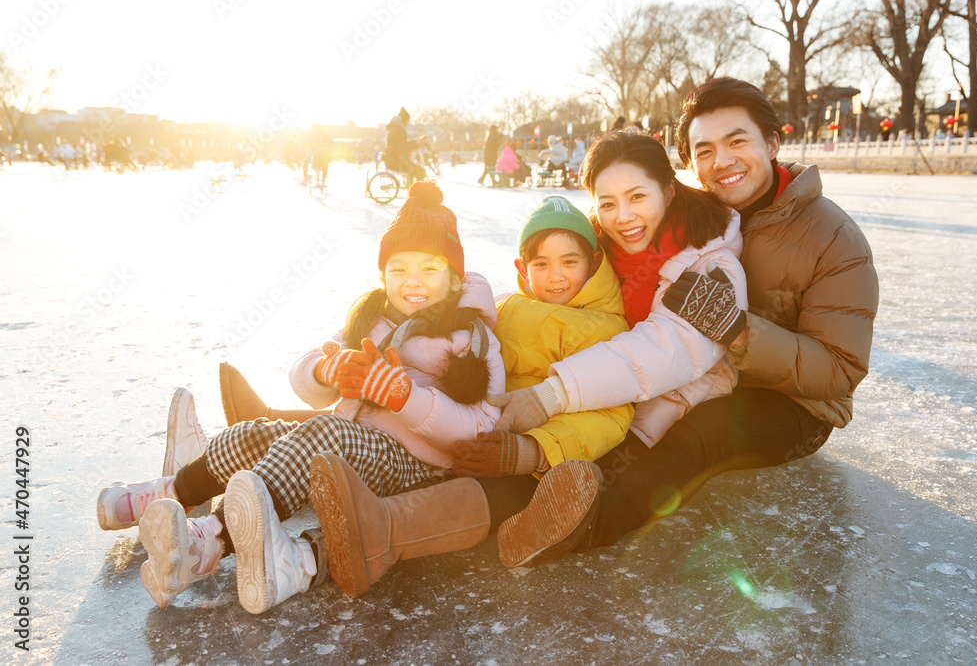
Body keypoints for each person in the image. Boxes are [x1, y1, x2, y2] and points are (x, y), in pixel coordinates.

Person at [307, 130, 749, 595]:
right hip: (532, 406)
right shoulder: (603, 248)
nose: (623, 215)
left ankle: (387, 531)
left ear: (669, 188)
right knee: (434, 416)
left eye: (637, 196)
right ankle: (289, 431)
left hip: (644, 412)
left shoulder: (707, 269)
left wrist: (539, 428)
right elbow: (524, 305)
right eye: (608, 202)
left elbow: (655, 357)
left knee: (522, 484)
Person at [492, 77, 879, 565]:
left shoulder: (834, 239)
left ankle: (586, 523)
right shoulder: (685, 217)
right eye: (705, 149)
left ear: (773, 141)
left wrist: (738, 334)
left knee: (704, 434)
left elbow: (841, 371)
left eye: (737, 141)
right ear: (687, 165)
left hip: (793, 401)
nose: (722, 161)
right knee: (616, 418)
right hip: (696, 370)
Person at [96, 181, 505, 613]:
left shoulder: (472, 340)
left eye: (429, 268)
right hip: (352, 444)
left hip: (416, 466)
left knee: (323, 434)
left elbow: (480, 427)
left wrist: (406, 398)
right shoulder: (374, 319)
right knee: (255, 434)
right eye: (398, 270)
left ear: (456, 277)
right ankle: (171, 493)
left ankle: (208, 542)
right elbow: (304, 371)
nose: (412, 282)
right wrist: (329, 369)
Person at [384, 106, 427, 180]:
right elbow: (403, 145)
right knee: (420, 171)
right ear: (403, 120)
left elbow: (402, 144)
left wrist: (416, 143)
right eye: (407, 121)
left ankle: (411, 189)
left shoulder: (396, 128)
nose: (408, 123)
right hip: (397, 161)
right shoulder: (398, 130)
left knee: (412, 171)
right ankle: (418, 190)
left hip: (394, 159)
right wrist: (416, 143)